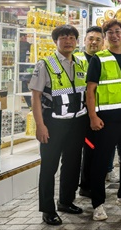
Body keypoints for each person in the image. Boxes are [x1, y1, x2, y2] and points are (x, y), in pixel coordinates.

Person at [28, 25, 88, 226]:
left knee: (72, 164)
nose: (68, 41)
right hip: (53, 124)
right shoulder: (45, 64)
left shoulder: (80, 63)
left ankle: (65, 201)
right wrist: (40, 125)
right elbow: (35, 97)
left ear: (77, 41)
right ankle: (47, 209)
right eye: (63, 38)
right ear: (56, 41)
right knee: (49, 167)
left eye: (72, 37)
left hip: (76, 122)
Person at [86, 19, 121, 221]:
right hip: (106, 119)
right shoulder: (98, 59)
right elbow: (90, 89)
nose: (114, 35)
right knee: (101, 162)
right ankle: (98, 204)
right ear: (106, 36)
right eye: (109, 32)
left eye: (117, 31)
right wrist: (93, 116)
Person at [75, 26, 105, 199]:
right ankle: (75, 187)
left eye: (98, 39)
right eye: (90, 38)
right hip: (77, 114)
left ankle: (87, 185)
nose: (94, 42)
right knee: (74, 154)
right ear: (84, 40)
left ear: (103, 42)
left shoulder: (104, 59)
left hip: (96, 114)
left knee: (92, 151)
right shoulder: (76, 59)